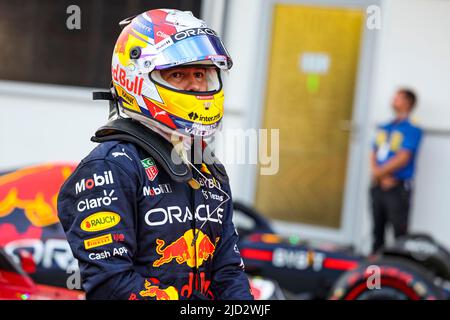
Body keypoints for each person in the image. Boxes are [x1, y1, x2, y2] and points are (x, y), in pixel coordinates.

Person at [57, 9, 253, 300]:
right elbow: (111, 285)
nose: (195, 85)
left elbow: (227, 270)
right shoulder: (109, 168)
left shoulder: (206, 164)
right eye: (178, 74)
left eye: (200, 73)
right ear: (137, 79)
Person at [370, 88, 423, 253]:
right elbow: (373, 151)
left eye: (398, 98)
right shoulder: (385, 126)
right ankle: (374, 272)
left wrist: (380, 173)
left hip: (397, 188)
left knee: (399, 234)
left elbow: (403, 157)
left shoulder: (412, 128)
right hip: (378, 186)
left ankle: (397, 269)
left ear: (408, 102)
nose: (393, 100)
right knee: (377, 231)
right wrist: (377, 174)